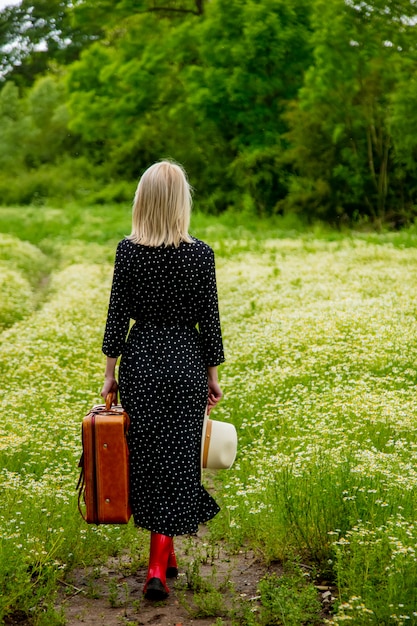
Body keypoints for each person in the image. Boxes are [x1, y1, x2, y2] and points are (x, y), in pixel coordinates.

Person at [100, 160, 225, 601]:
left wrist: (110, 374)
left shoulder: (128, 251)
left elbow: (117, 315)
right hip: (185, 366)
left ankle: (161, 559)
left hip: (143, 364)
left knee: (151, 461)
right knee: (178, 462)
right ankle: (159, 564)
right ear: (180, 204)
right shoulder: (200, 254)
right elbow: (209, 322)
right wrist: (212, 376)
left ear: (143, 201)